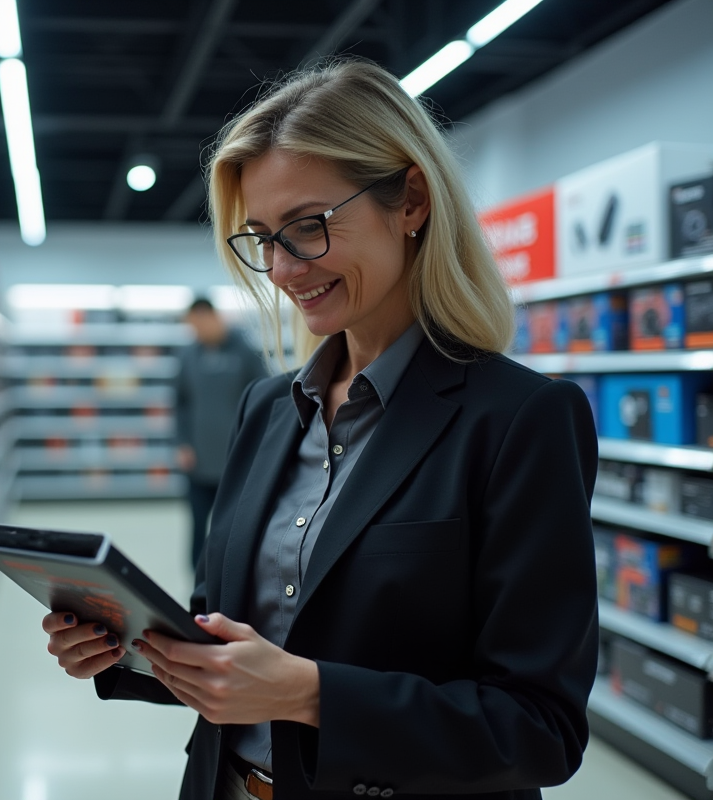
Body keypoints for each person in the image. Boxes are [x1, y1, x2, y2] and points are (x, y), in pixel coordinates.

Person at [41, 59, 598, 800]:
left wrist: (309, 694)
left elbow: (540, 728)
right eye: (262, 238)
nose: (280, 269)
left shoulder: (519, 420)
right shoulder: (267, 409)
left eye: (307, 227)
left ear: (411, 200)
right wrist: (124, 648)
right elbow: (223, 632)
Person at [176, 298, 268, 570]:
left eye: (200, 325)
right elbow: (180, 403)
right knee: (197, 523)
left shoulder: (245, 352)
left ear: (214, 317)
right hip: (199, 458)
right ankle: (197, 576)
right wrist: (182, 443)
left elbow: (265, 396)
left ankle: (230, 574)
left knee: (233, 524)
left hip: (237, 458)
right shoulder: (188, 355)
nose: (198, 332)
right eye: (193, 327)